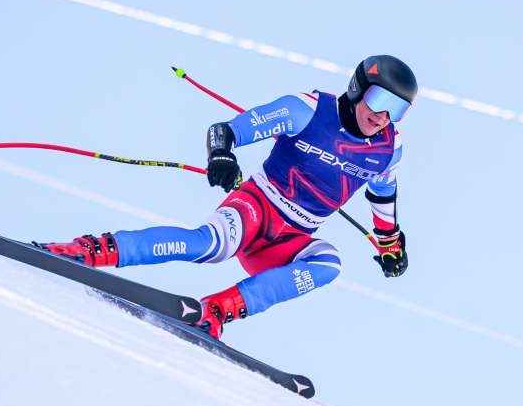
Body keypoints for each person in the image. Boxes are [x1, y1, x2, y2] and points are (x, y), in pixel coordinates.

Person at [39, 55, 416, 339]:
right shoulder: (307, 109)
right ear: (356, 88)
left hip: (293, 239)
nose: (384, 115)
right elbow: (226, 131)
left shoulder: (389, 149)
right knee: (211, 245)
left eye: (397, 109)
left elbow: (382, 194)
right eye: (380, 99)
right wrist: (222, 155)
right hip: (259, 207)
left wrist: (390, 242)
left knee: (329, 263)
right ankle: (90, 250)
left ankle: (217, 310)